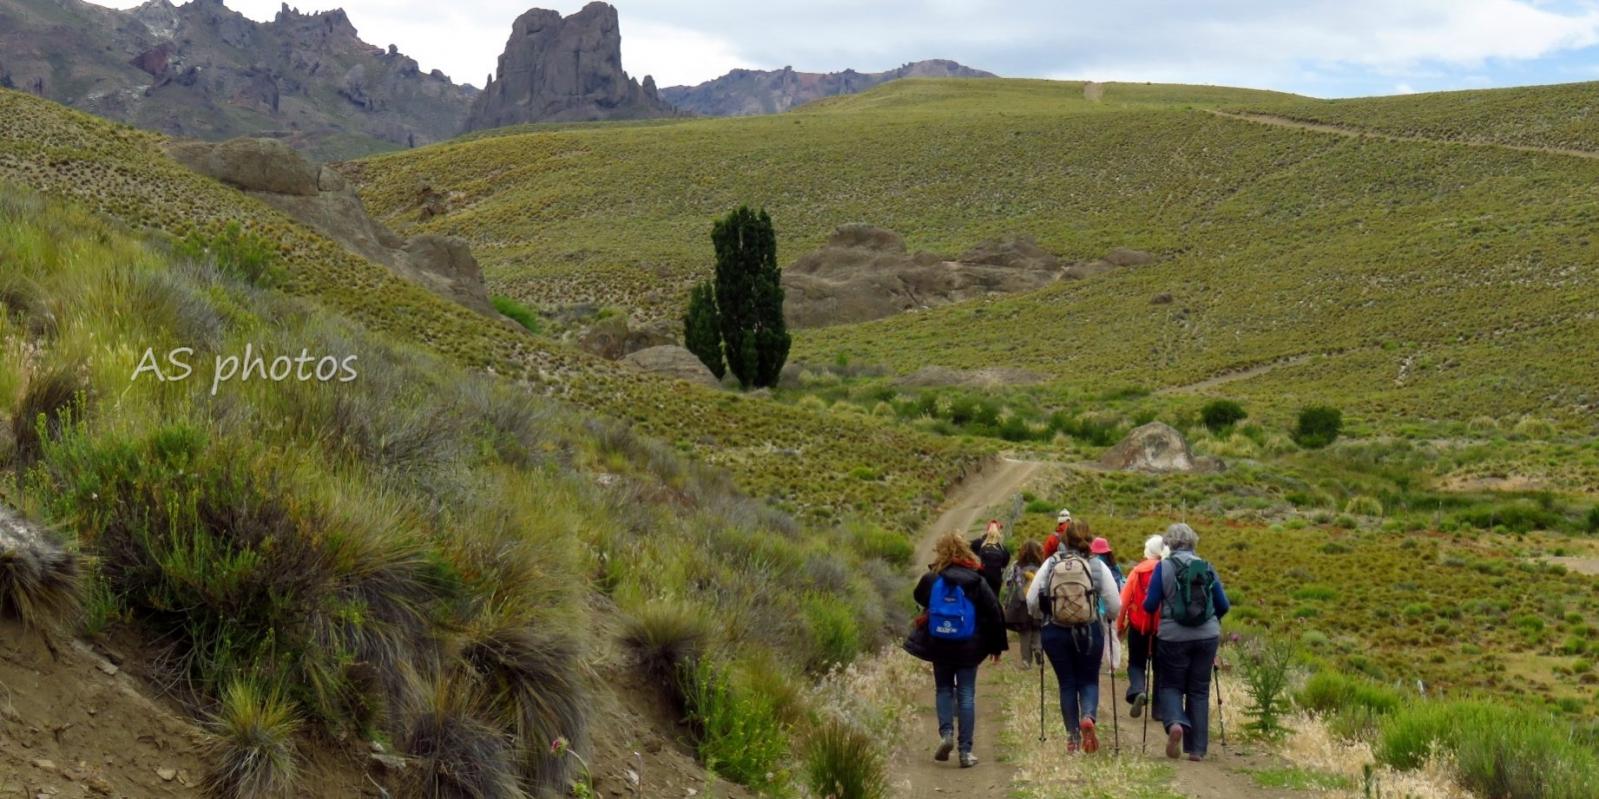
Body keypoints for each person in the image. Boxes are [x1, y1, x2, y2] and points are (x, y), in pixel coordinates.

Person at [914, 532, 1008, 768]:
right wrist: (996, 646)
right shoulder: (976, 580)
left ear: (941, 551)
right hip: (969, 647)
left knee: (943, 690)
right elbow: (994, 612)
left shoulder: (932, 579)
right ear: (966, 550)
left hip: (939, 643)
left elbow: (919, 596)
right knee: (966, 695)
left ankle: (946, 734)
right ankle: (965, 752)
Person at [1026, 520, 1121, 753]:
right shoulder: (1097, 565)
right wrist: (1107, 617)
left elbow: (1031, 600)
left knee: (1067, 683)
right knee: (1089, 680)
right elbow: (1114, 605)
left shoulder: (1051, 563)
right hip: (1089, 631)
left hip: (1055, 631)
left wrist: (1042, 616)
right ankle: (1088, 716)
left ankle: (1072, 738)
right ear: (1090, 540)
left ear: (1064, 540)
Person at [1143, 523, 1230, 762]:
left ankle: (1175, 723)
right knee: (1199, 690)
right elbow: (1223, 605)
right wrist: (1209, 621)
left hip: (1172, 637)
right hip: (1207, 637)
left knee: (1171, 685)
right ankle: (1197, 749)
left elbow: (1150, 605)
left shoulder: (1163, 567)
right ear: (1193, 542)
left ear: (1169, 543)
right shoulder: (1206, 567)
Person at [1118, 534, 1167, 719]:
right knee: (1160, 668)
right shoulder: (1168, 570)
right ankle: (1159, 710)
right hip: (1163, 628)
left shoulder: (1137, 571)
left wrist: (1119, 625)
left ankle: (1138, 690)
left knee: (1136, 664)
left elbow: (1123, 601)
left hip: (1139, 626)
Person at [1002, 540, 1046, 668]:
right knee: (1037, 628)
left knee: (1024, 631)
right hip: (1037, 601)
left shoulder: (1016, 566)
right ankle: (1038, 647)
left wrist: (1006, 602)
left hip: (1020, 602)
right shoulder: (1042, 566)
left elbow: (1009, 584)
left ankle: (1026, 660)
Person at [969, 520, 1011, 597]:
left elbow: (967, 549)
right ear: (999, 532)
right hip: (995, 583)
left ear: (987, 531)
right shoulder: (1003, 549)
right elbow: (1004, 564)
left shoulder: (977, 543)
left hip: (980, 579)